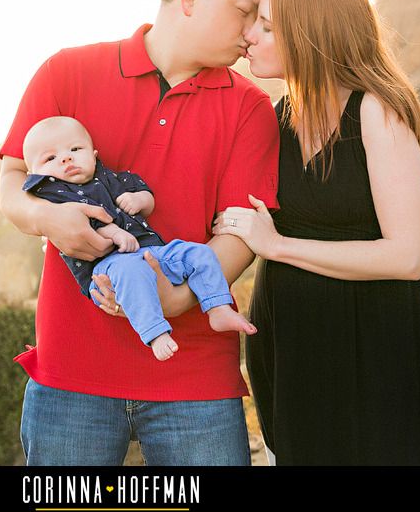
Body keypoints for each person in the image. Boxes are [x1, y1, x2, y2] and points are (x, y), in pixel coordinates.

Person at [0, 0, 279, 466]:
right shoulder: (67, 72)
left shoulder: (251, 108)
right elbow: (12, 181)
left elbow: (240, 232)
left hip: (195, 375)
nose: (251, 33)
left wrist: (173, 300)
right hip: (72, 372)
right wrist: (45, 218)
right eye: (243, 12)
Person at [212, 0, 420, 466]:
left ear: (311, 33)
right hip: (292, 350)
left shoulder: (376, 113)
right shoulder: (276, 118)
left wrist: (277, 246)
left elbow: (408, 256)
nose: (250, 35)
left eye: (268, 25)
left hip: (370, 349)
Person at [21, 116, 257, 361]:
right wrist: (113, 232)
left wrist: (139, 199)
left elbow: (146, 197)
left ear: (94, 154)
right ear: (34, 174)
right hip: (107, 267)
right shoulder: (53, 194)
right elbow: (79, 229)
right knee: (134, 273)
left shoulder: (109, 178)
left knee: (199, 253)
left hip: (152, 250)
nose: (66, 158)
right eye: (50, 158)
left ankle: (217, 306)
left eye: (75, 149)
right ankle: (155, 332)